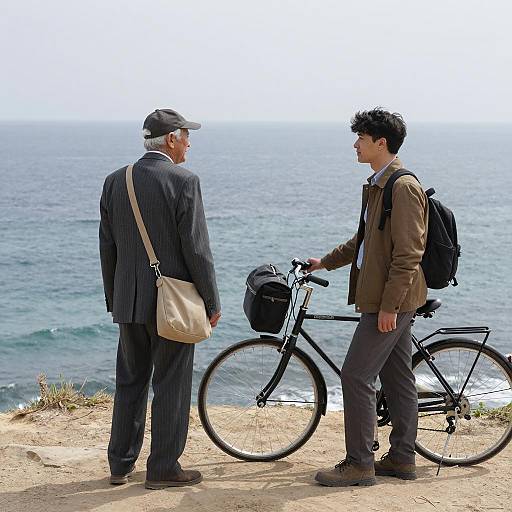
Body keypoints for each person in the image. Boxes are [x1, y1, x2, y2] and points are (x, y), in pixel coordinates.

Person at [99, 108, 221, 489]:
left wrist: (115, 298)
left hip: (127, 301)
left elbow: (108, 247)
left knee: (129, 381)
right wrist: (211, 301)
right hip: (170, 303)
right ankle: (164, 468)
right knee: (171, 381)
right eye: (186, 136)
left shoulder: (116, 181)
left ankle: (120, 465)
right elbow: (197, 250)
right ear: (170, 139)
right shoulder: (184, 181)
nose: (188, 144)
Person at [308, 108, 428, 487]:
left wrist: (390, 306)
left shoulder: (402, 187)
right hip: (385, 297)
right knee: (397, 380)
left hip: (390, 300)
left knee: (356, 376)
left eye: (360, 137)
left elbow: (410, 253)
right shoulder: (378, 184)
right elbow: (364, 242)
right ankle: (402, 459)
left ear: (381, 142)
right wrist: (324, 263)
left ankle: (360, 463)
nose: (355, 144)